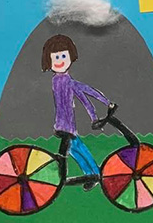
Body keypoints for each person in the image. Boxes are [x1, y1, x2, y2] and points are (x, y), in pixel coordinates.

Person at [42, 34, 113, 190]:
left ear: (70, 56)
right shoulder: (57, 80)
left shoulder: (66, 81)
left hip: (66, 125)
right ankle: (93, 173)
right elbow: (82, 96)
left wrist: (104, 105)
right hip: (63, 124)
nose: (59, 60)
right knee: (75, 148)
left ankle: (95, 173)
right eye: (55, 57)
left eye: (63, 56)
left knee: (77, 148)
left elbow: (85, 94)